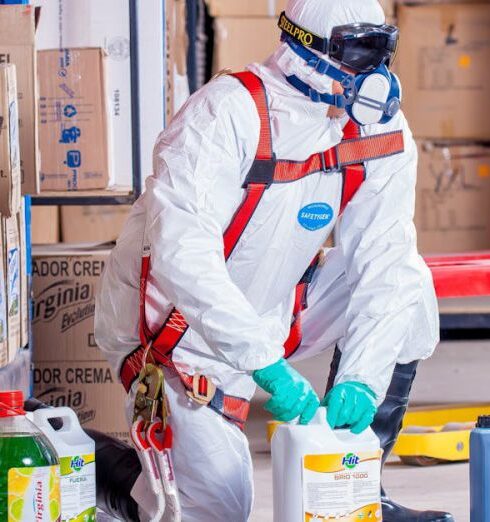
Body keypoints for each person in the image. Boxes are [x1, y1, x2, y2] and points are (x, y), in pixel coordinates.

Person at [94, 0, 453, 520]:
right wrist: (264, 363)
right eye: (359, 54)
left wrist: (363, 378)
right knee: (219, 509)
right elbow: (182, 255)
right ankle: (89, 463)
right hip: (175, 333)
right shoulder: (225, 113)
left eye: (383, 53)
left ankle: (357, 488)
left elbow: (386, 258)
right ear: (306, 52)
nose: (374, 76)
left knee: (412, 284)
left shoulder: (377, 130)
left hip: (275, 303)